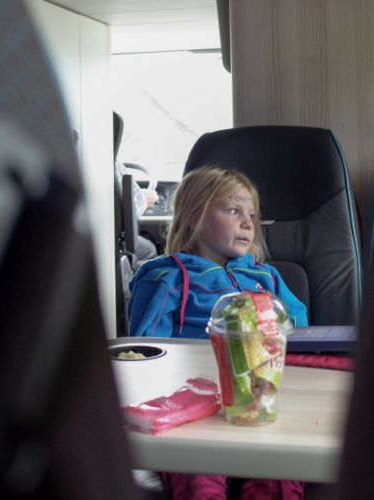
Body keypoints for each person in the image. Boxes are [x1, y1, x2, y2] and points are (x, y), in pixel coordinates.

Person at [128, 166, 308, 499]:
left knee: (279, 479)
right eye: (234, 211)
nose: (248, 223)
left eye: (251, 215)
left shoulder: (265, 277)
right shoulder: (166, 276)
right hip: (191, 404)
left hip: (259, 398)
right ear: (194, 218)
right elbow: (146, 348)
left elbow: (298, 330)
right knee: (197, 479)